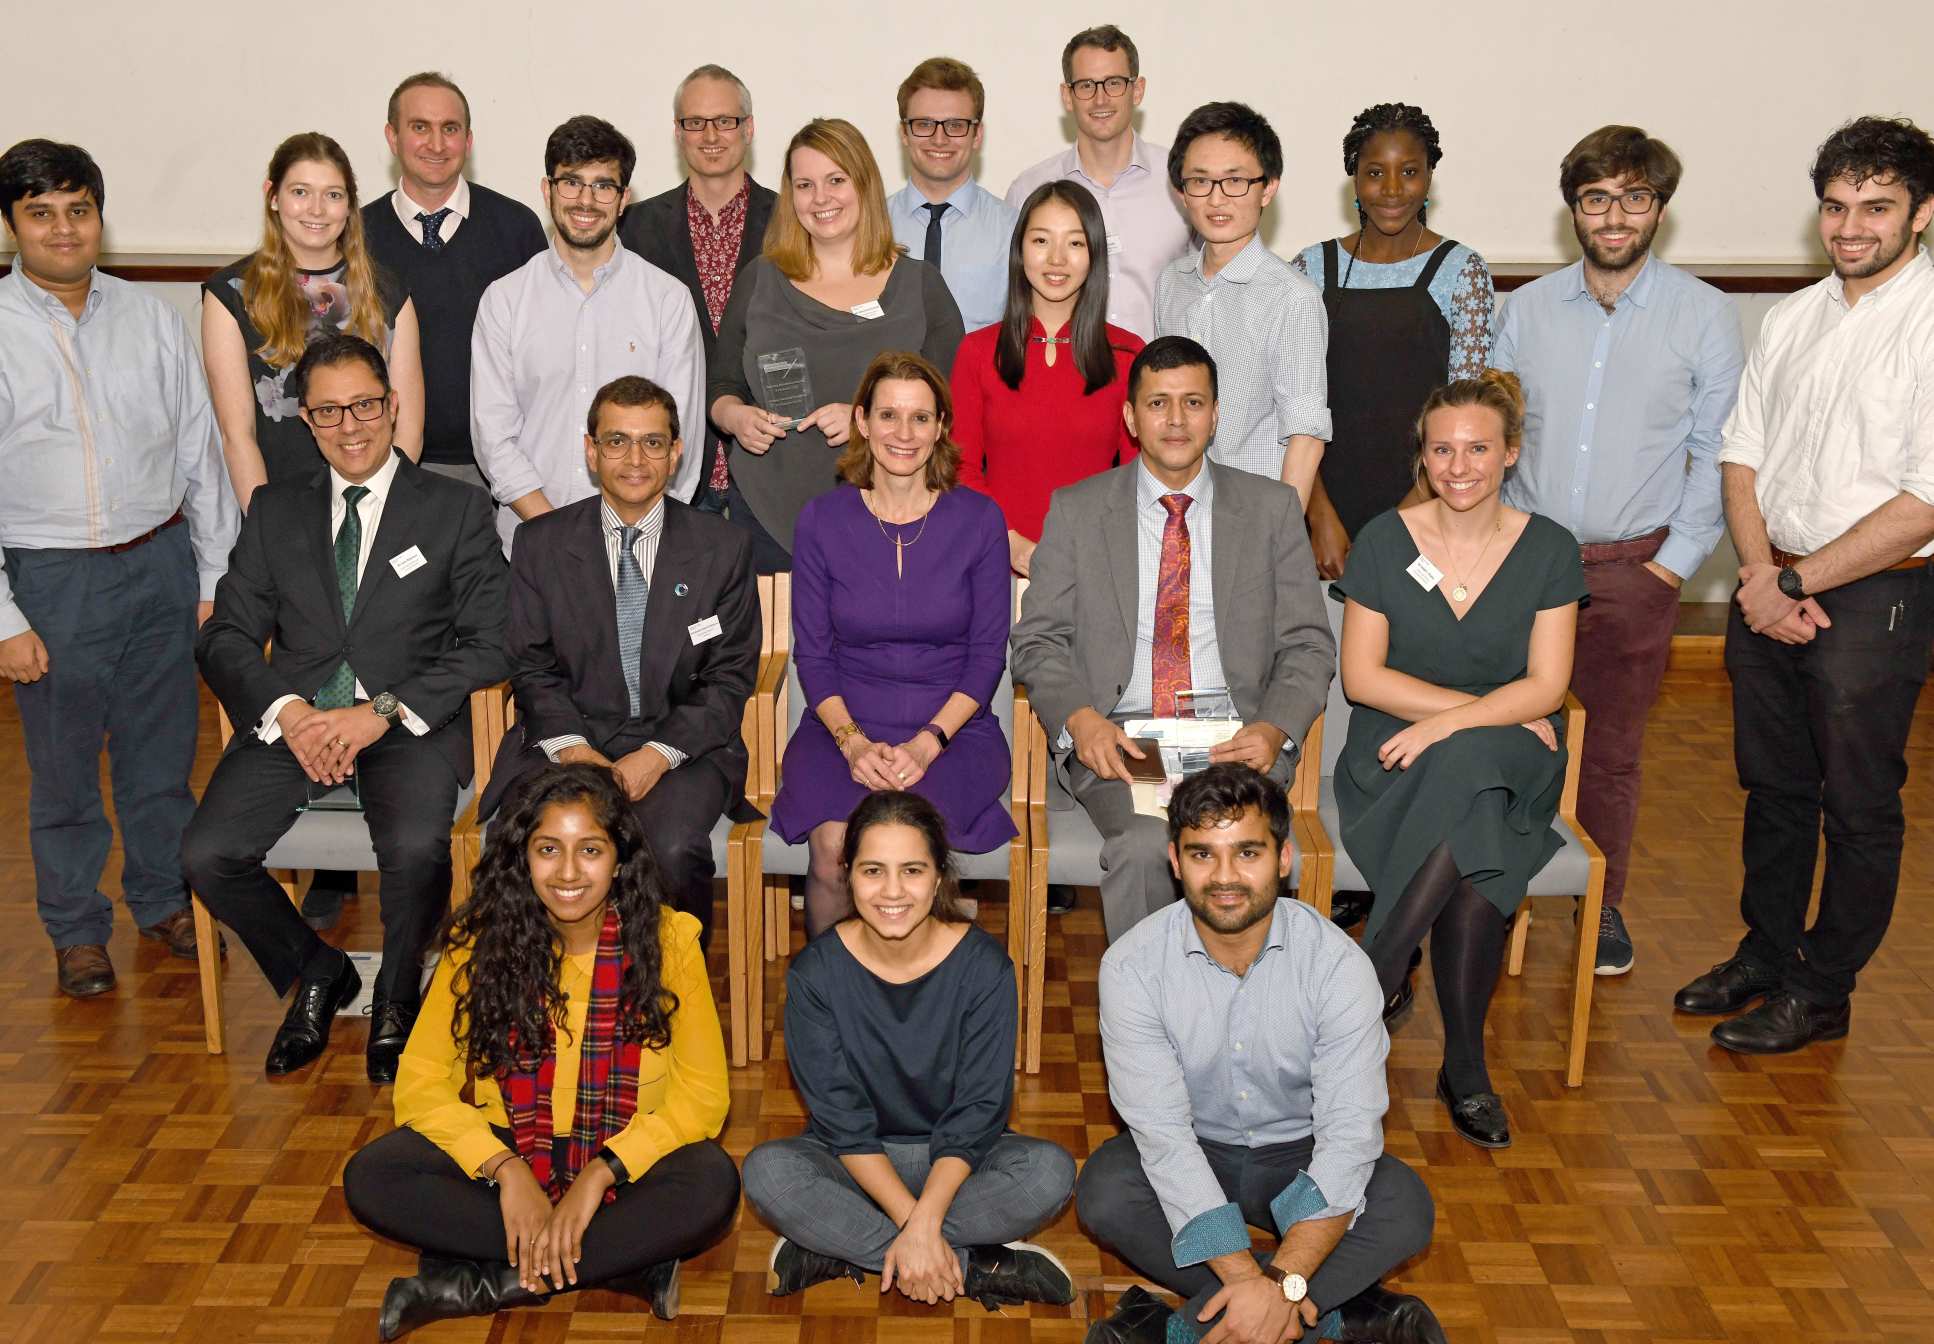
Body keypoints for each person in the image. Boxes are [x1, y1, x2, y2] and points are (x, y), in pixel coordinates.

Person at [180, 334, 510, 1085]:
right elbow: (225, 636)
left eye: (364, 404)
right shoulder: (274, 510)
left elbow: (494, 641)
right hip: (296, 721)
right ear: (305, 420)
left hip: (406, 724)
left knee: (418, 848)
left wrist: (383, 712)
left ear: (393, 407)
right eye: (328, 412)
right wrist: (290, 712)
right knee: (205, 855)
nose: (350, 426)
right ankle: (318, 971)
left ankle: (397, 998)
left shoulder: (455, 508)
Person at [1678, 116, 1934, 1055]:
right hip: (1769, 579)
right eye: (1835, 206)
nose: (1851, 226)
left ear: (1924, 214)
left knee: (1858, 805)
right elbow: (1741, 457)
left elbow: (1924, 501)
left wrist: (1791, 580)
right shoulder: (1792, 317)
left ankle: (1823, 990)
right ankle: (1766, 950)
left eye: (1877, 206)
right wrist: (1759, 576)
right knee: (1774, 788)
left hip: (1879, 592)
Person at [343, 764, 738, 1341]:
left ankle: (483, 1285)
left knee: (713, 1184)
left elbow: (704, 1097)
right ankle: (620, 1264)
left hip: (620, 1156)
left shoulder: (670, 942)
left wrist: (599, 1176)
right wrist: (507, 1173)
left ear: (620, 859)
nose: (569, 872)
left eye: (591, 850)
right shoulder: (478, 946)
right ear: (522, 859)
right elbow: (420, 1082)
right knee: (374, 1177)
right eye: (548, 849)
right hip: (509, 1148)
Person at [1079, 765, 1444, 1344]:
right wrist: (1261, 1280)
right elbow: (1165, 1139)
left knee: (1403, 1204)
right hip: (1200, 1151)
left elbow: (1349, 1137)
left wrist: (1282, 1279)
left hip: (1300, 1155)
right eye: (1203, 855)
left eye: (1247, 852)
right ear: (1175, 862)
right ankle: (1333, 1317)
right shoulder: (1132, 967)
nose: (1225, 877)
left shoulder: (1337, 966)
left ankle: (1177, 1326)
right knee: (1105, 1189)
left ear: (1283, 859)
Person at [1493, 125, 1742, 975]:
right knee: (1508, 733)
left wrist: (1677, 562)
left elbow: (1717, 448)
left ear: (1659, 210)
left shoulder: (1704, 315)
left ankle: (1602, 907)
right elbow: (1494, 438)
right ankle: (1499, 890)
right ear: (1574, 209)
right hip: (1525, 562)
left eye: (1634, 197)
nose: (1614, 215)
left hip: (1638, 567)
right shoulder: (1522, 310)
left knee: (1610, 750)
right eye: (1597, 197)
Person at [0, 139, 238, 997]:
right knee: (63, 773)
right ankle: (74, 929)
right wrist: (6, 621)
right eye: (41, 212)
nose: (64, 229)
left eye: (78, 209)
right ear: (12, 225)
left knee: (161, 757)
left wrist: (214, 580)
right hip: (50, 581)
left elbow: (198, 456)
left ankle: (162, 899)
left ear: (99, 217)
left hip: (160, 565)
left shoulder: (149, 319)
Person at [1330, 371, 1585, 1150]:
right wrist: (1467, 720)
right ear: (1424, 455)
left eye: (1478, 448)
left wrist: (1459, 727)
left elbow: (1550, 683)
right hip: (1397, 754)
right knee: (1476, 810)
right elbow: (1361, 678)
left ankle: (1366, 982)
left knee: (1475, 771)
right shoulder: (1383, 539)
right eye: (1442, 449)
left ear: (1510, 453)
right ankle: (1465, 1068)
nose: (1459, 465)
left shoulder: (1548, 549)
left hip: (1505, 755)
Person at [1010, 336, 1334, 943]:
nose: (1177, 420)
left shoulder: (1271, 510)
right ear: (1131, 418)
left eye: (1193, 402)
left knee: (1230, 844)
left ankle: (1240, 1015)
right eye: (1158, 404)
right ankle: (1149, 1030)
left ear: (1215, 414)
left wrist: (1273, 728)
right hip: (1122, 739)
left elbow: (1309, 644)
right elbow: (1037, 641)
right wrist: (1082, 722)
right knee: (1142, 848)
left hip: (1236, 737)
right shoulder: (1078, 510)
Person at [742, 790, 1076, 1310]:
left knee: (1050, 1172)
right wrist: (914, 1226)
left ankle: (843, 1249)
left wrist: (923, 1220)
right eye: (873, 871)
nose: (892, 891)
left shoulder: (985, 967)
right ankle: (976, 1267)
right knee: (767, 1173)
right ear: (847, 873)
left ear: (939, 876)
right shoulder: (815, 975)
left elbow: (979, 1112)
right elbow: (842, 1121)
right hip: (856, 1162)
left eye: (912, 870)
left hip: (960, 1161)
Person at [480, 375, 760, 950]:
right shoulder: (542, 543)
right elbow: (530, 668)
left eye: (653, 443)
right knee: (529, 840)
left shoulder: (722, 548)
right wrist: (577, 752)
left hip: (681, 748)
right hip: (567, 739)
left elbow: (729, 677)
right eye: (617, 441)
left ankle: (672, 1004)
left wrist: (655, 757)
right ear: (591, 450)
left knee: (674, 847)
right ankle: (539, 995)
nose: (636, 459)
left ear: (677, 453)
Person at [768, 351, 1015, 938]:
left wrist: (929, 744)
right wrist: (854, 744)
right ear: (861, 421)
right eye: (888, 416)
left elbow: (986, 658)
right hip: (841, 729)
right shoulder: (821, 520)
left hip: (954, 732)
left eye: (921, 418)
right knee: (834, 846)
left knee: (905, 842)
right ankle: (835, 1004)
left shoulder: (980, 520)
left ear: (941, 429)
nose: (904, 434)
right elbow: (814, 656)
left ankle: (917, 1012)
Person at [710, 118, 965, 572]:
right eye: (805, 184)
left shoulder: (920, 287)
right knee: (774, 645)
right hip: (766, 515)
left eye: (836, 180)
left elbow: (951, 403)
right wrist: (734, 417)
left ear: (864, 184)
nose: (821, 198)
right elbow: (721, 384)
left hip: (890, 515)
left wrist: (870, 419)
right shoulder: (759, 280)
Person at [472, 115, 706, 554]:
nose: (586, 200)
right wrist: (556, 532)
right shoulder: (504, 301)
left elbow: (680, 441)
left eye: (603, 186)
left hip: (641, 549)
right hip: (532, 546)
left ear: (623, 200)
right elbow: (493, 437)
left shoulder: (666, 300)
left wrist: (635, 538)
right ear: (547, 191)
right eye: (571, 182)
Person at [1296, 103, 1497, 577]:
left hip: (1431, 510)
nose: (1391, 189)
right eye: (1374, 173)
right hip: (1323, 513)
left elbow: (1466, 415)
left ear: (1429, 178)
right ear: (1354, 180)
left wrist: (1407, 519)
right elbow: (1291, 405)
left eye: (1408, 171)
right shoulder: (1310, 268)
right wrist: (1317, 513)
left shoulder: (1460, 271)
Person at [203, 131, 423, 501]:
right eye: (300, 192)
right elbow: (237, 436)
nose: (317, 210)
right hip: (280, 505)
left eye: (333, 195)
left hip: (377, 504)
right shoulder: (231, 295)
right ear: (272, 197)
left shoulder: (387, 292)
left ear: (350, 206)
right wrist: (267, 529)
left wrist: (379, 514)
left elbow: (409, 428)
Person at [362, 72, 548, 491]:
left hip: (506, 467)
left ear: (468, 140)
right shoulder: (357, 235)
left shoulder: (517, 227)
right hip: (390, 465)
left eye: (450, 129)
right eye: (419, 127)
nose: (436, 143)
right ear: (393, 138)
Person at [952, 179, 1142, 577]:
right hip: (993, 563)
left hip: (1098, 566)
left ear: (1094, 255)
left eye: (1074, 243)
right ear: (1021, 250)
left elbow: (1137, 475)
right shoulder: (977, 352)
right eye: (1041, 241)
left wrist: (1089, 552)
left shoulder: (1128, 354)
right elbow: (960, 468)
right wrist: (1011, 544)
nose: (1057, 259)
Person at [618, 64, 777, 515]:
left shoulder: (790, 222)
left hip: (768, 457)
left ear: (749, 128)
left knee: (771, 590)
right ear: (677, 132)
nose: (711, 135)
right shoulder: (635, 228)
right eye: (695, 122)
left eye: (725, 121)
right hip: (670, 462)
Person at [1157, 101, 1328, 507]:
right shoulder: (1171, 283)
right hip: (1175, 513)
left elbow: (1305, 437)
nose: (1217, 199)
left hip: (1253, 516)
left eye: (1235, 181)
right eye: (1200, 182)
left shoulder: (1293, 296)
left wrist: (1280, 541)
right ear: (1182, 192)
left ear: (1267, 188)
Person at [1005, 25, 1190, 342]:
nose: (1100, 98)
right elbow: (1014, 297)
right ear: (1067, 96)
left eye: (1114, 83)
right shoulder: (1030, 189)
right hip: (1065, 381)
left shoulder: (1182, 179)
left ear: (1138, 90)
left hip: (1161, 381)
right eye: (1086, 85)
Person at [886, 57, 1019, 331]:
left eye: (955, 125)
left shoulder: (1012, 230)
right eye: (924, 124)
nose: (939, 139)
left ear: (977, 135)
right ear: (904, 133)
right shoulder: (872, 227)